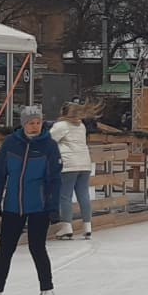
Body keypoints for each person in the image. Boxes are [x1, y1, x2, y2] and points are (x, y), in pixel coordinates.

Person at [0, 105, 63, 295]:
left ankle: (47, 290)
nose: (35, 127)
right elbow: (0, 174)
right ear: (24, 124)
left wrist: (53, 207)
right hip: (13, 206)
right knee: (5, 249)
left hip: (39, 206)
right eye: (31, 123)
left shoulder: (49, 146)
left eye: (38, 122)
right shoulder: (10, 144)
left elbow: (54, 180)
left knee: (37, 247)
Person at [50, 101, 96, 241]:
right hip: (84, 163)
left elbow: (49, 140)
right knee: (83, 195)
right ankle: (87, 226)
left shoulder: (61, 126)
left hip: (69, 164)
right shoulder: (81, 126)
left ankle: (67, 227)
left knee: (65, 196)